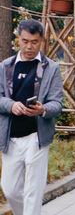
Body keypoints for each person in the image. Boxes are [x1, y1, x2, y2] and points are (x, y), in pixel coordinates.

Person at [0, 18, 63, 215]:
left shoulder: (51, 68)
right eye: (25, 41)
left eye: (34, 42)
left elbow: (57, 104)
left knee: (33, 191)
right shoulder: (5, 66)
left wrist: (42, 109)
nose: (29, 46)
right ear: (18, 39)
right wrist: (11, 105)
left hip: (37, 136)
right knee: (10, 190)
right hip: (10, 137)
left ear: (42, 40)